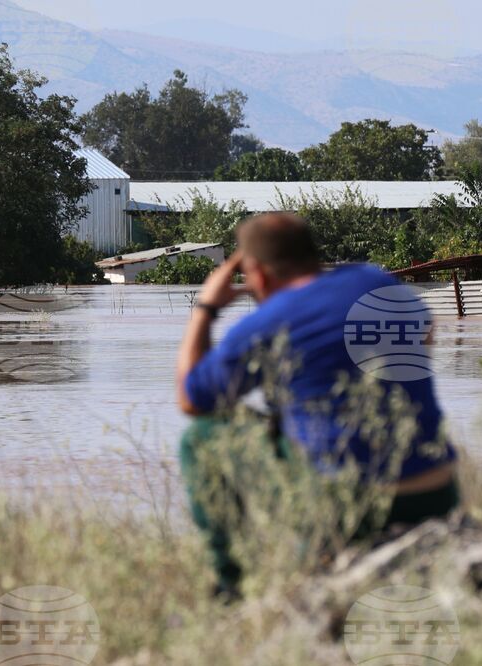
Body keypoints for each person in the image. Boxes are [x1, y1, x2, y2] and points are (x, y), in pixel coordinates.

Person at [176, 212, 459, 591]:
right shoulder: (375, 280)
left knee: (200, 439)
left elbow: (192, 400)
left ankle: (231, 585)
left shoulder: (265, 324)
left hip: (350, 504)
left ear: (256, 273)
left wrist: (206, 309)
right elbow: (427, 330)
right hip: (437, 492)